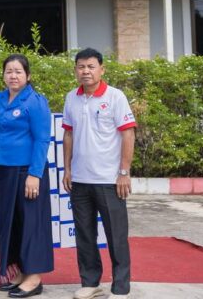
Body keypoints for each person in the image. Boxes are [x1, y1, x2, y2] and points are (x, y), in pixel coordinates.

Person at [62, 48, 136, 299]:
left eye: (91, 66)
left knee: (116, 235)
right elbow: (68, 134)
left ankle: (121, 287)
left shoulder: (115, 96)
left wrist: (124, 172)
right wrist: (68, 169)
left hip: (109, 180)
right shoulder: (71, 98)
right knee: (84, 234)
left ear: (101, 69)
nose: (86, 71)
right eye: (81, 67)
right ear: (76, 70)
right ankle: (90, 282)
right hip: (80, 180)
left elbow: (128, 133)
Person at [0, 54, 54, 298]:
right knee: (12, 224)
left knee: (31, 224)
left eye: (18, 71)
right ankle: (21, 273)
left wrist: (34, 174)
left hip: (27, 172)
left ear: (28, 75)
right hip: (3, 171)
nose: (13, 75)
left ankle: (34, 278)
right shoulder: (0, 100)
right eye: (9, 71)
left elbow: (42, 140)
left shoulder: (35, 101)